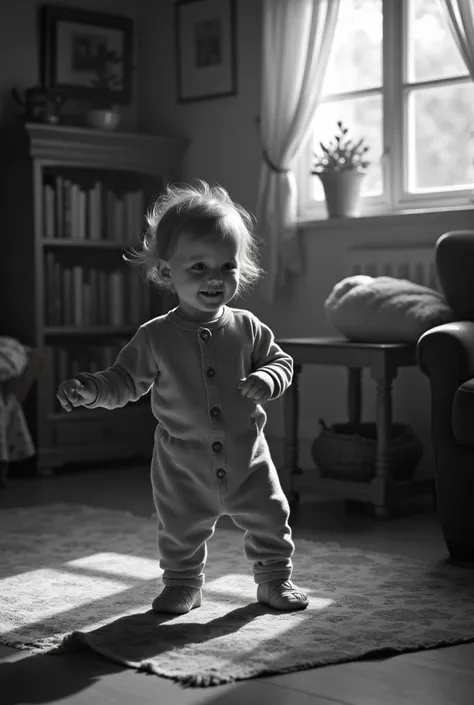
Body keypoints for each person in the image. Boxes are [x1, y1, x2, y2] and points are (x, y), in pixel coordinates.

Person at [56, 180, 309, 615]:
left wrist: (269, 377)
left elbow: (281, 360)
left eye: (226, 266)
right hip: (181, 466)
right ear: (165, 270)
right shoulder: (154, 336)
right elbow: (124, 381)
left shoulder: (248, 327)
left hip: (248, 458)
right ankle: (182, 583)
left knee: (270, 518)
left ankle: (273, 580)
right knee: (180, 529)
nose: (214, 278)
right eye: (198, 267)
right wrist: (93, 390)